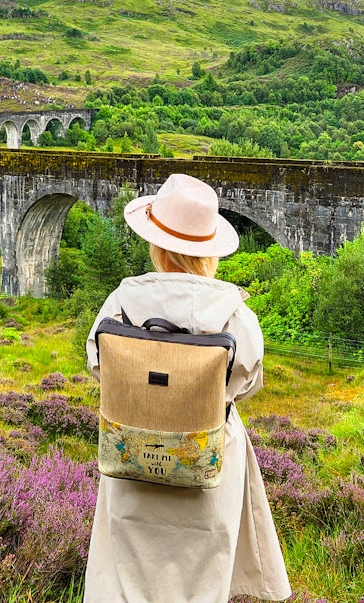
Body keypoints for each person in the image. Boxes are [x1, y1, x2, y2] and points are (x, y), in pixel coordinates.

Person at [84, 173, 291, 603]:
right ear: (210, 252)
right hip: (208, 467)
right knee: (203, 584)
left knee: (127, 584)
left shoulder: (120, 302)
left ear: (156, 245)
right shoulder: (235, 314)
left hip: (130, 463)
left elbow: (98, 366)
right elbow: (247, 384)